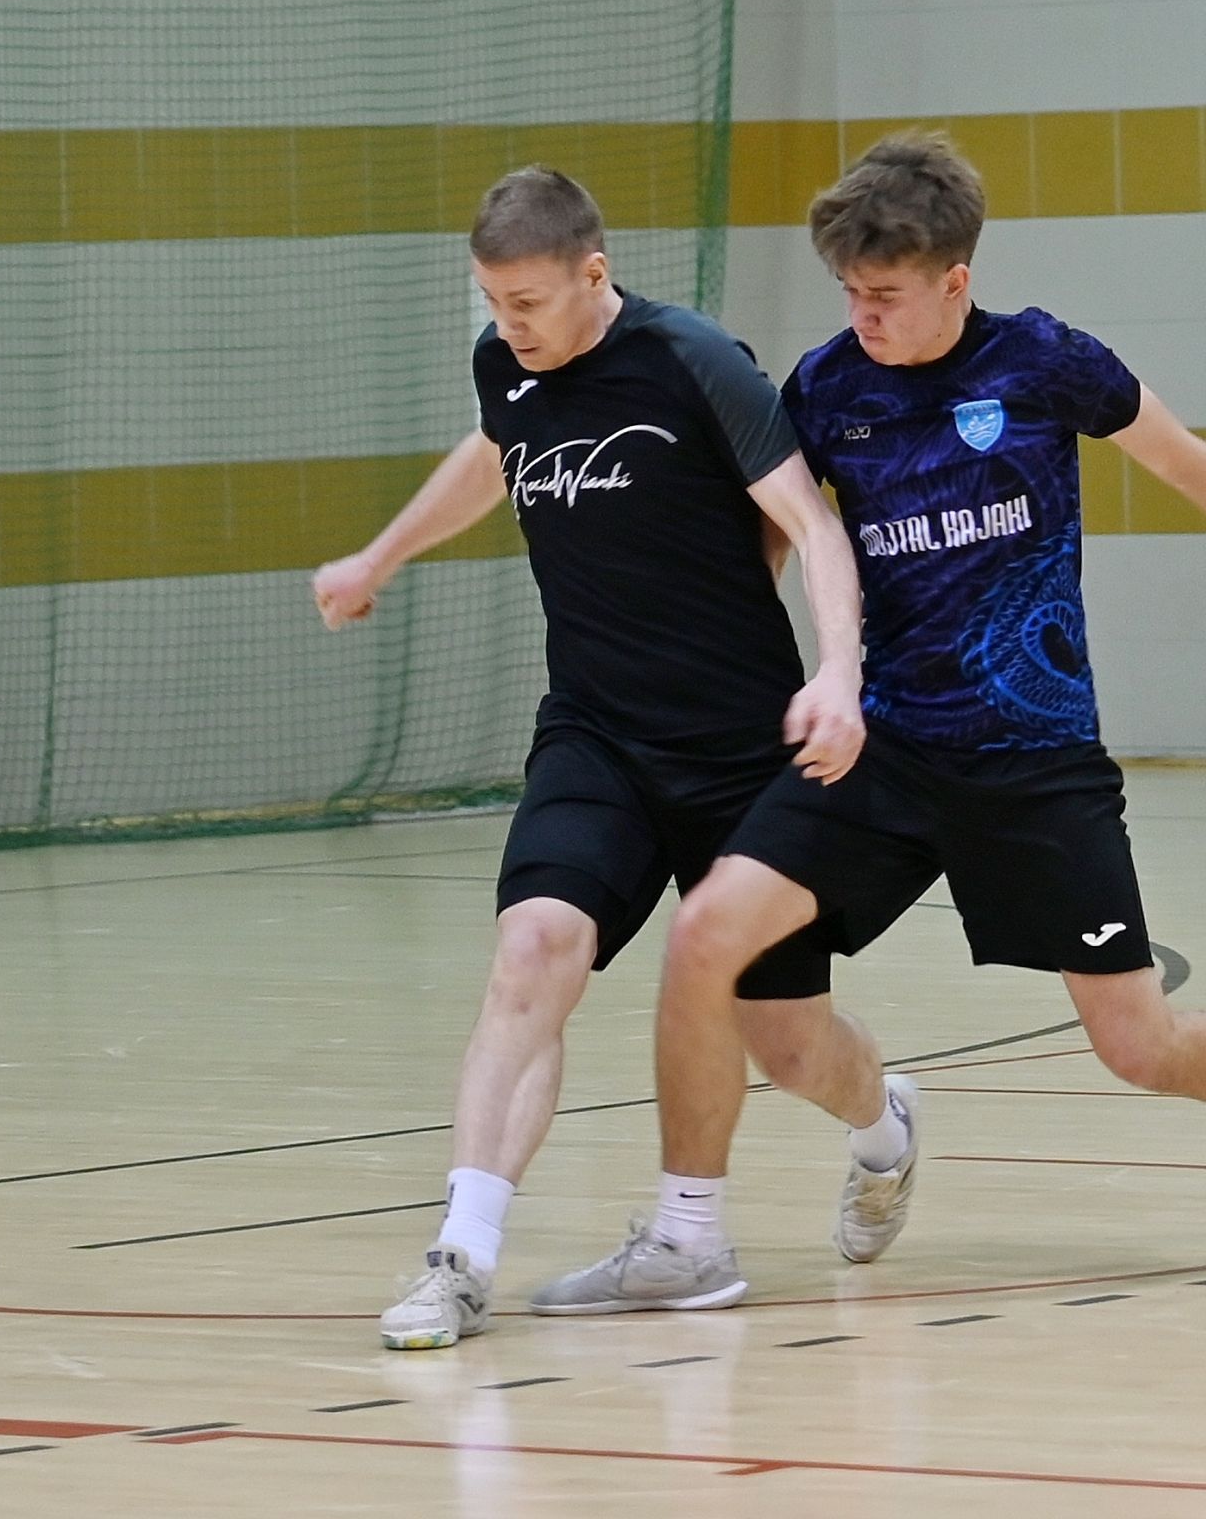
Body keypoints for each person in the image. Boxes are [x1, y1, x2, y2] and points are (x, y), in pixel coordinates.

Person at [533, 132, 1206, 1314]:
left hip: (1034, 763)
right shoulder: (826, 389)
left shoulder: (1041, 362)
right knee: (709, 935)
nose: (862, 315)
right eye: (848, 291)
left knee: (1136, 1043)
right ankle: (688, 1237)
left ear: (953, 280)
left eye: (884, 293)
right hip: (883, 751)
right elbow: (775, 539)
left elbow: (1184, 461)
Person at [312, 165, 896, 1350]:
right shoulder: (504, 366)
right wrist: (380, 556)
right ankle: (461, 1256)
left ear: (593, 272)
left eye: (526, 301)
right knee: (534, 949)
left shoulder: (694, 362)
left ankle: (885, 1127)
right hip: (596, 733)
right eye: (489, 301)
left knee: (786, 1043)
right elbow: (493, 453)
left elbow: (811, 523)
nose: (507, 325)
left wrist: (837, 672)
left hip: (737, 747)